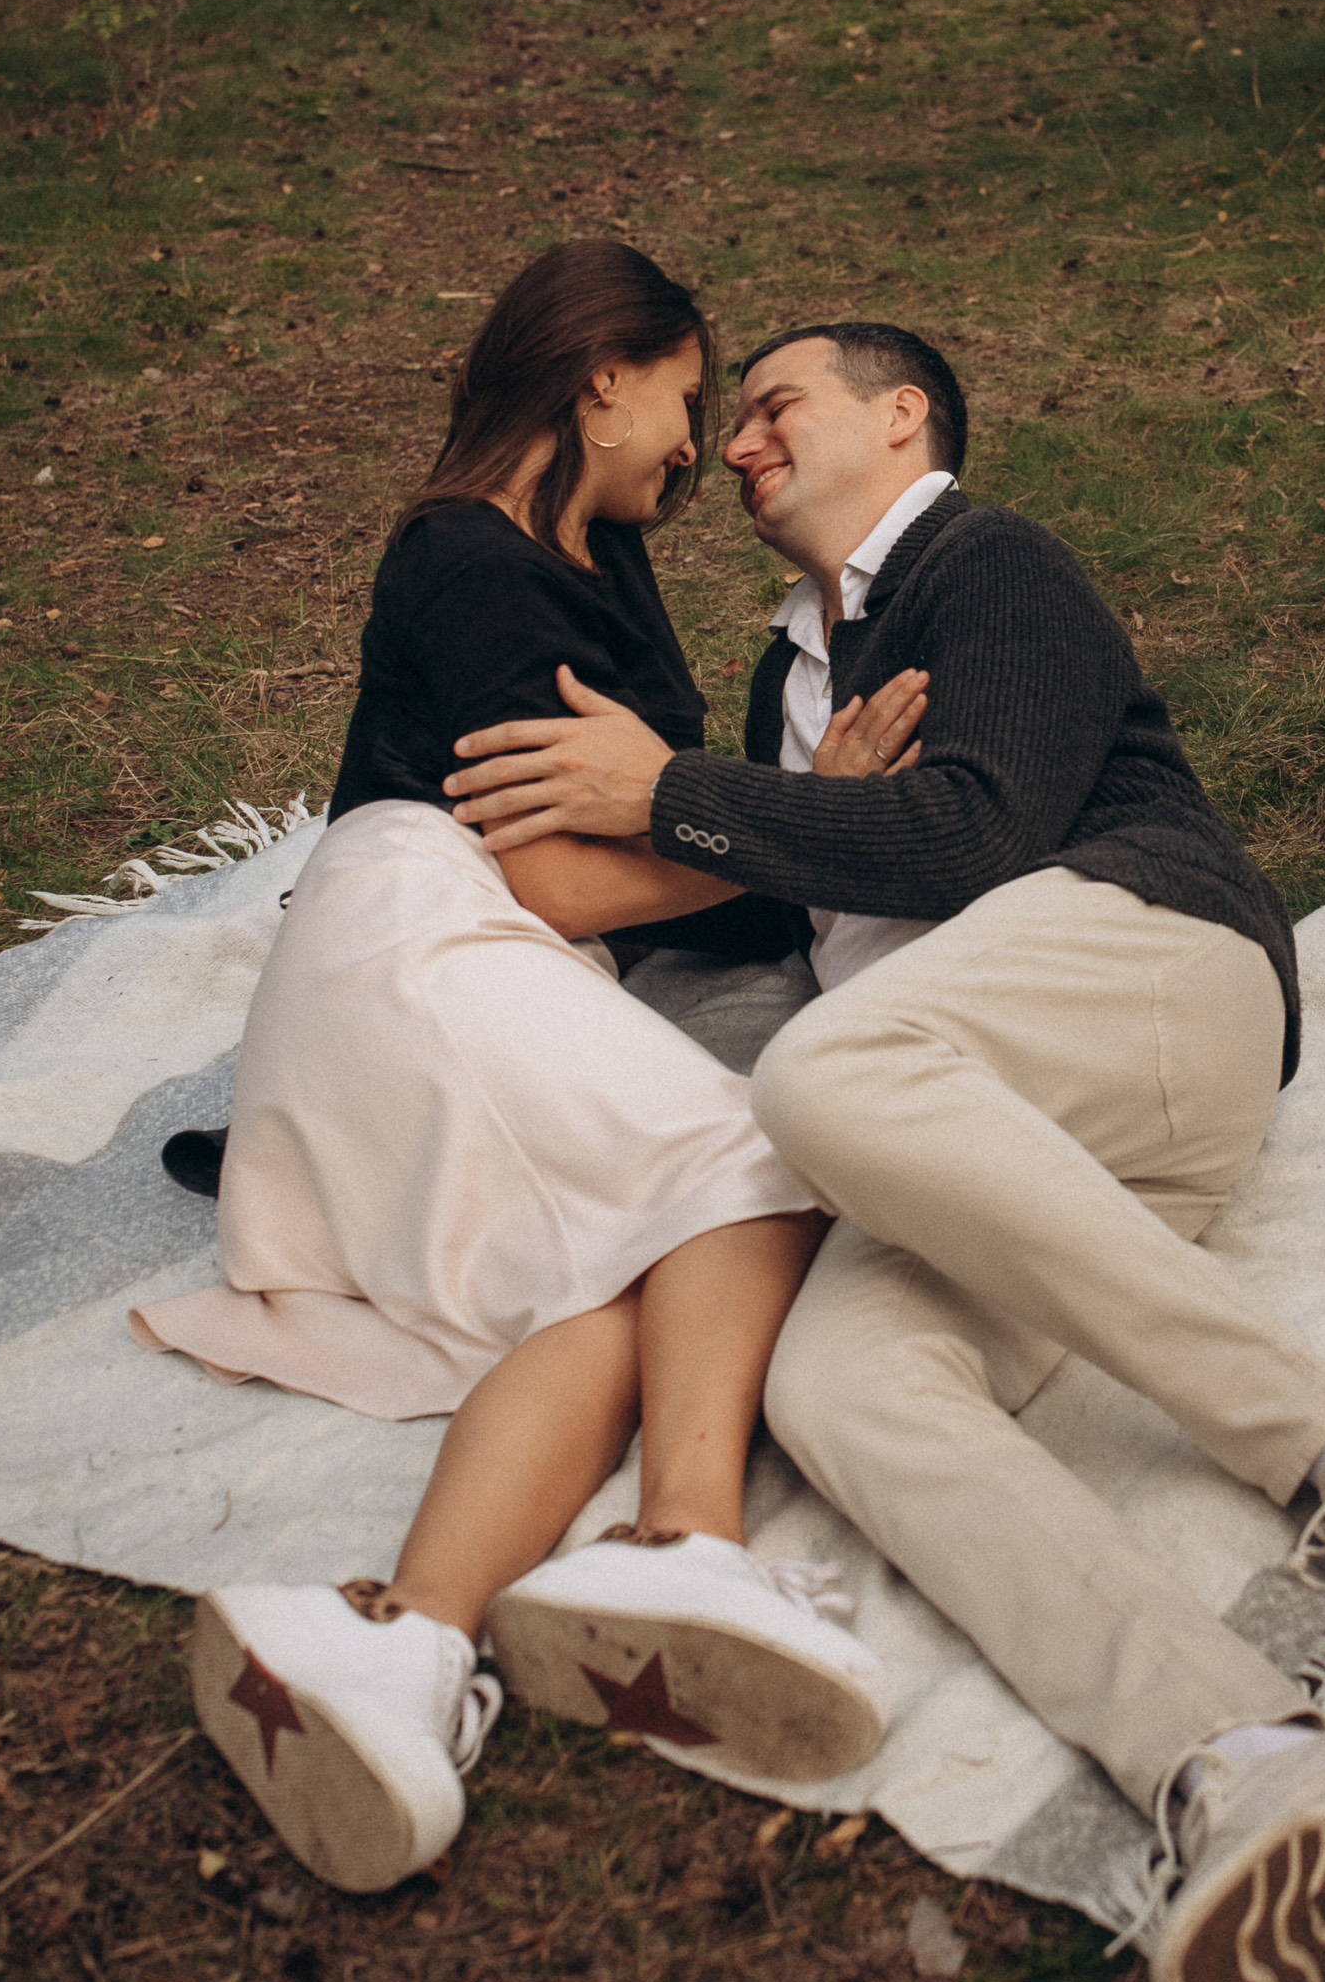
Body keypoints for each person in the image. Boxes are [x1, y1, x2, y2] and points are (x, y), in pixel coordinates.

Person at [445, 320, 1325, 1982]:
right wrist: (600, 865)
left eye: (774, 405)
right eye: (730, 421)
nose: (737, 445)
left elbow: (971, 831)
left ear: (902, 418)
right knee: (836, 1384)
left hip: (1152, 978)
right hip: (985, 1131)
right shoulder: (785, 671)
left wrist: (675, 793)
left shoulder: (989, 564)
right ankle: (1235, 1759)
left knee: (825, 1069)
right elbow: (783, 883)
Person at [133, 244, 927, 1896]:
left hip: (499, 966)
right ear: (597, 378)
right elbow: (561, 875)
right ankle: (690, 1544)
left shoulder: (596, 558)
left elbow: (640, 838)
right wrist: (801, 821)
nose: (699, 447)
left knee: (627, 1275)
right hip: (414, 934)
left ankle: (406, 1643)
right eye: (687, 400)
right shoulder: (466, 560)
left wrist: (779, 837)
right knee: (751, 1162)